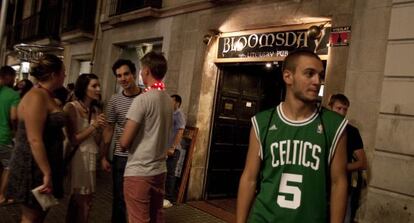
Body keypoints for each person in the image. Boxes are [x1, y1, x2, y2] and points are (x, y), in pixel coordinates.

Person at [236, 49, 348, 223]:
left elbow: (338, 183)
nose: (317, 81)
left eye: (320, 75)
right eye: (309, 74)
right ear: (288, 77)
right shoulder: (263, 122)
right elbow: (249, 178)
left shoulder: (333, 125)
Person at [7, 54, 67, 222]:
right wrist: (46, 173)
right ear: (54, 75)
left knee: (40, 213)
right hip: (33, 166)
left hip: (45, 163)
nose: (65, 76)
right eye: (63, 72)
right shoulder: (36, 96)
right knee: (31, 216)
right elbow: (34, 139)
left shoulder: (46, 95)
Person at [120, 51, 173, 223]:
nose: (141, 73)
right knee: (157, 216)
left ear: (147, 70)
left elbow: (124, 142)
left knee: (138, 219)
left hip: (139, 171)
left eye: (142, 69)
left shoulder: (142, 100)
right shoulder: (168, 100)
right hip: (160, 170)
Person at [100, 59, 142, 223]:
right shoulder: (114, 100)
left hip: (140, 156)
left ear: (134, 74)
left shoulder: (146, 96)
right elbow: (109, 129)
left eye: (126, 74)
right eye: (119, 76)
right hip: (121, 156)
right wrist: (103, 156)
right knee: (119, 198)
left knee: (138, 198)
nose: (123, 78)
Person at [64, 73, 106, 223]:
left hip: (91, 156)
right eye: (94, 86)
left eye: (98, 86)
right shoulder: (71, 107)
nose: (98, 89)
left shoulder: (95, 110)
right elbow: (73, 139)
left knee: (87, 200)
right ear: (83, 88)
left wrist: (100, 129)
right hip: (78, 158)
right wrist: (94, 125)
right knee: (80, 200)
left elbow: (96, 138)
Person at [328, 93, 367, 223]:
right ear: (330, 107)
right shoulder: (321, 127)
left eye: (345, 109)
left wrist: (340, 167)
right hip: (319, 186)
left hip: (342, 187)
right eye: (338, 108)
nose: (342, 112)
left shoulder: (351, 132)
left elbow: (362, 163)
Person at [0, 66, 19, 205]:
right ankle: (1, 195)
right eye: (13, 76)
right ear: (8, 77)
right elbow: (13, 116)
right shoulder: (13, 94)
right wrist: (15, 131)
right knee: (9, 166)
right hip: (4, 136)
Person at [163, 94, 186, 208]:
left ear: (177, 103)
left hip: (174, 149)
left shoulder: (179, 114)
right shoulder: (170, 113)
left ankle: (169, 198)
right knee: (165, 173)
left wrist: (173, 147)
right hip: (166, 148)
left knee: (170, 174)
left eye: (171, 101)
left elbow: (180, 131)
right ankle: (164, 196)